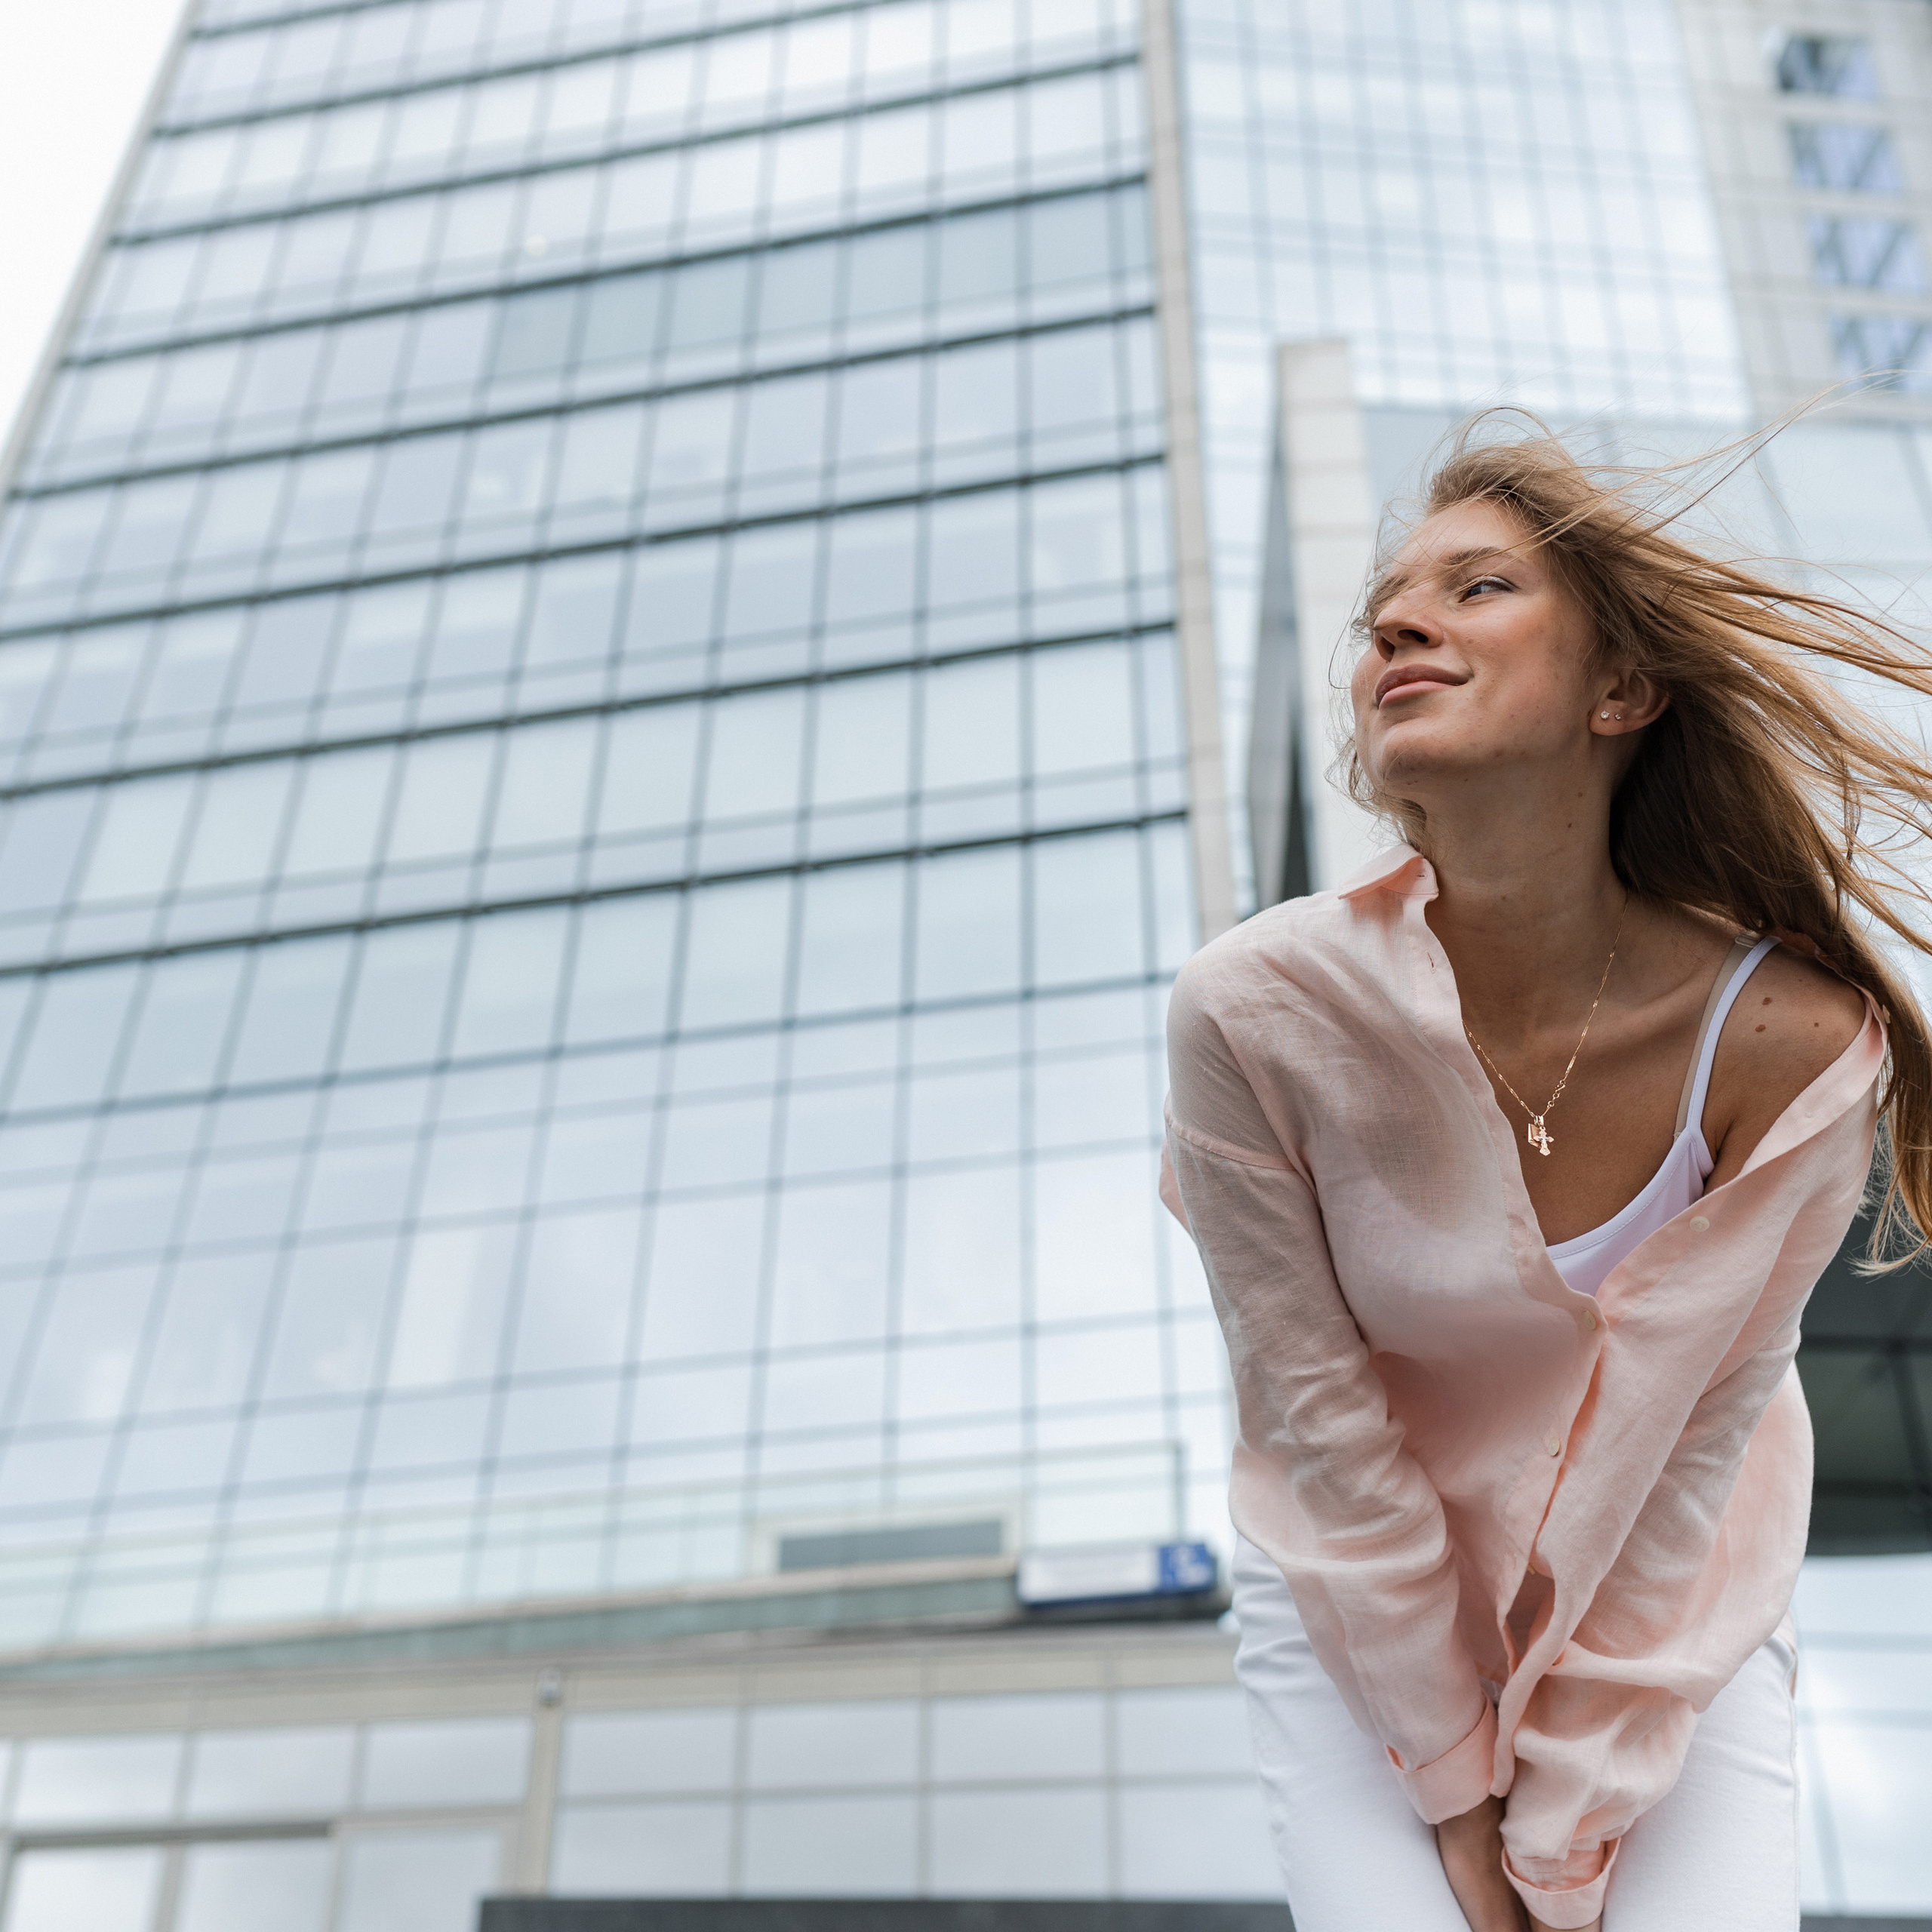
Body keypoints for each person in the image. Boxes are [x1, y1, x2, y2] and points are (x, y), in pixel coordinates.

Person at [1160, 426, 1932, 1930]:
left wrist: (1560, 1835)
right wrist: (1453, 1789)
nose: (1394, 618)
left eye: (1476, 585)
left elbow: (1686, 1456)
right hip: (1354, 1593)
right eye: (1385, 598)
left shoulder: (1782, 1040)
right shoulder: (1247, 1011)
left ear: (1617, 690)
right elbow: (1313, 1416)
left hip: (1664, 1608)